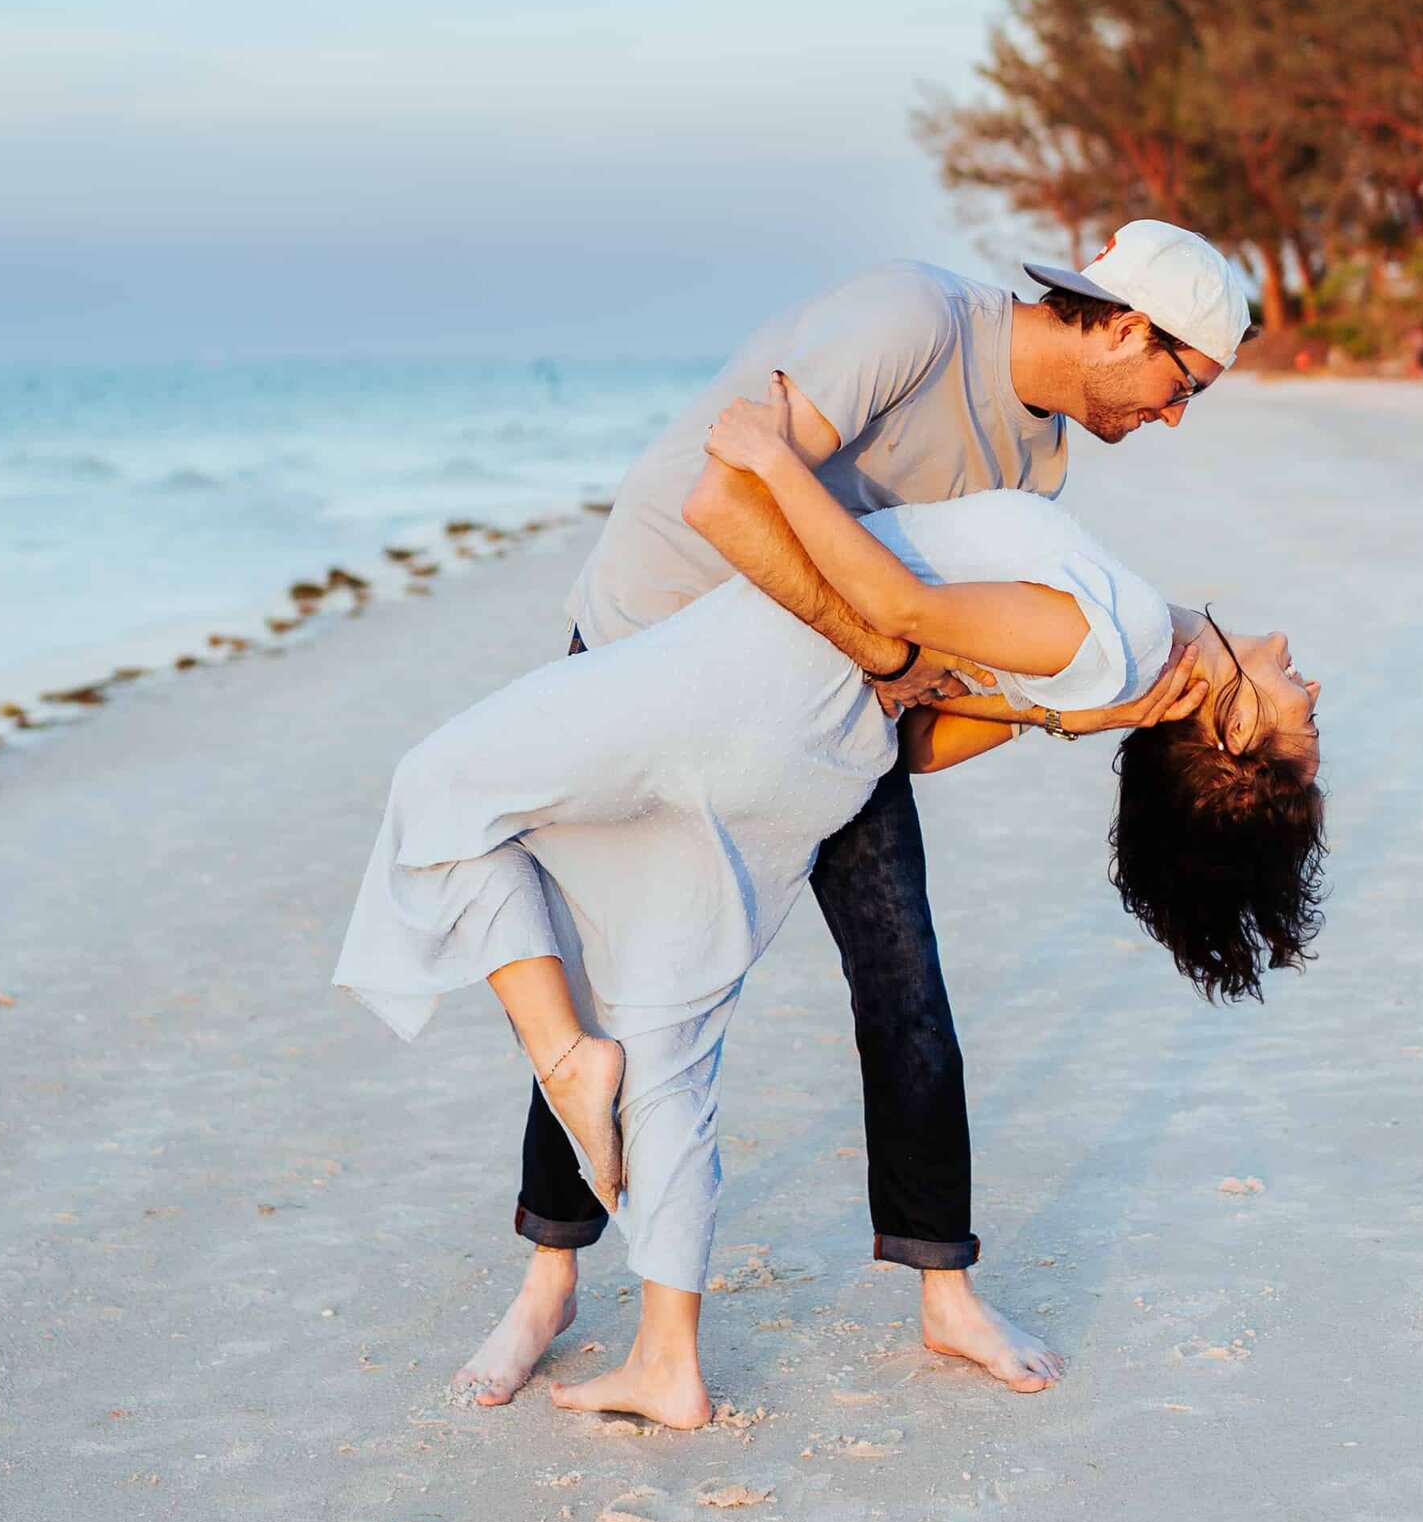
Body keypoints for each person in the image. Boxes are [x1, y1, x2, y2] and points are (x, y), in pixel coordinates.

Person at [334, 371, 1324, 1428]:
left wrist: (768, 459)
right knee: (669, 1034)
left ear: (1228, 738)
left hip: (745, 683)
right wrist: (1065, 721)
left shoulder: (1124, 632)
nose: (1311, 692)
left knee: (437, 785)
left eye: (1300, 727)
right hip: (817, 754)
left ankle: (564, 1054)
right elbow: (925, 735)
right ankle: (666, 1363)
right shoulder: (1115, 663)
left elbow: (901, 608)